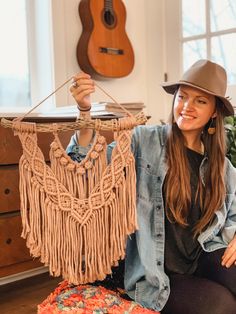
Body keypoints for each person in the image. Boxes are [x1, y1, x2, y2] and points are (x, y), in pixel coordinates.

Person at [67, 59, 236, 314]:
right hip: (155, 270)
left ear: (214, 111)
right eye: (183, 97)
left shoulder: (221, 167)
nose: (187, 107)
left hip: (201, 254)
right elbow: (87, 164)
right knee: (222, 306)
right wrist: (84, 113)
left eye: (200, 101)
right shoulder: (143, 142)